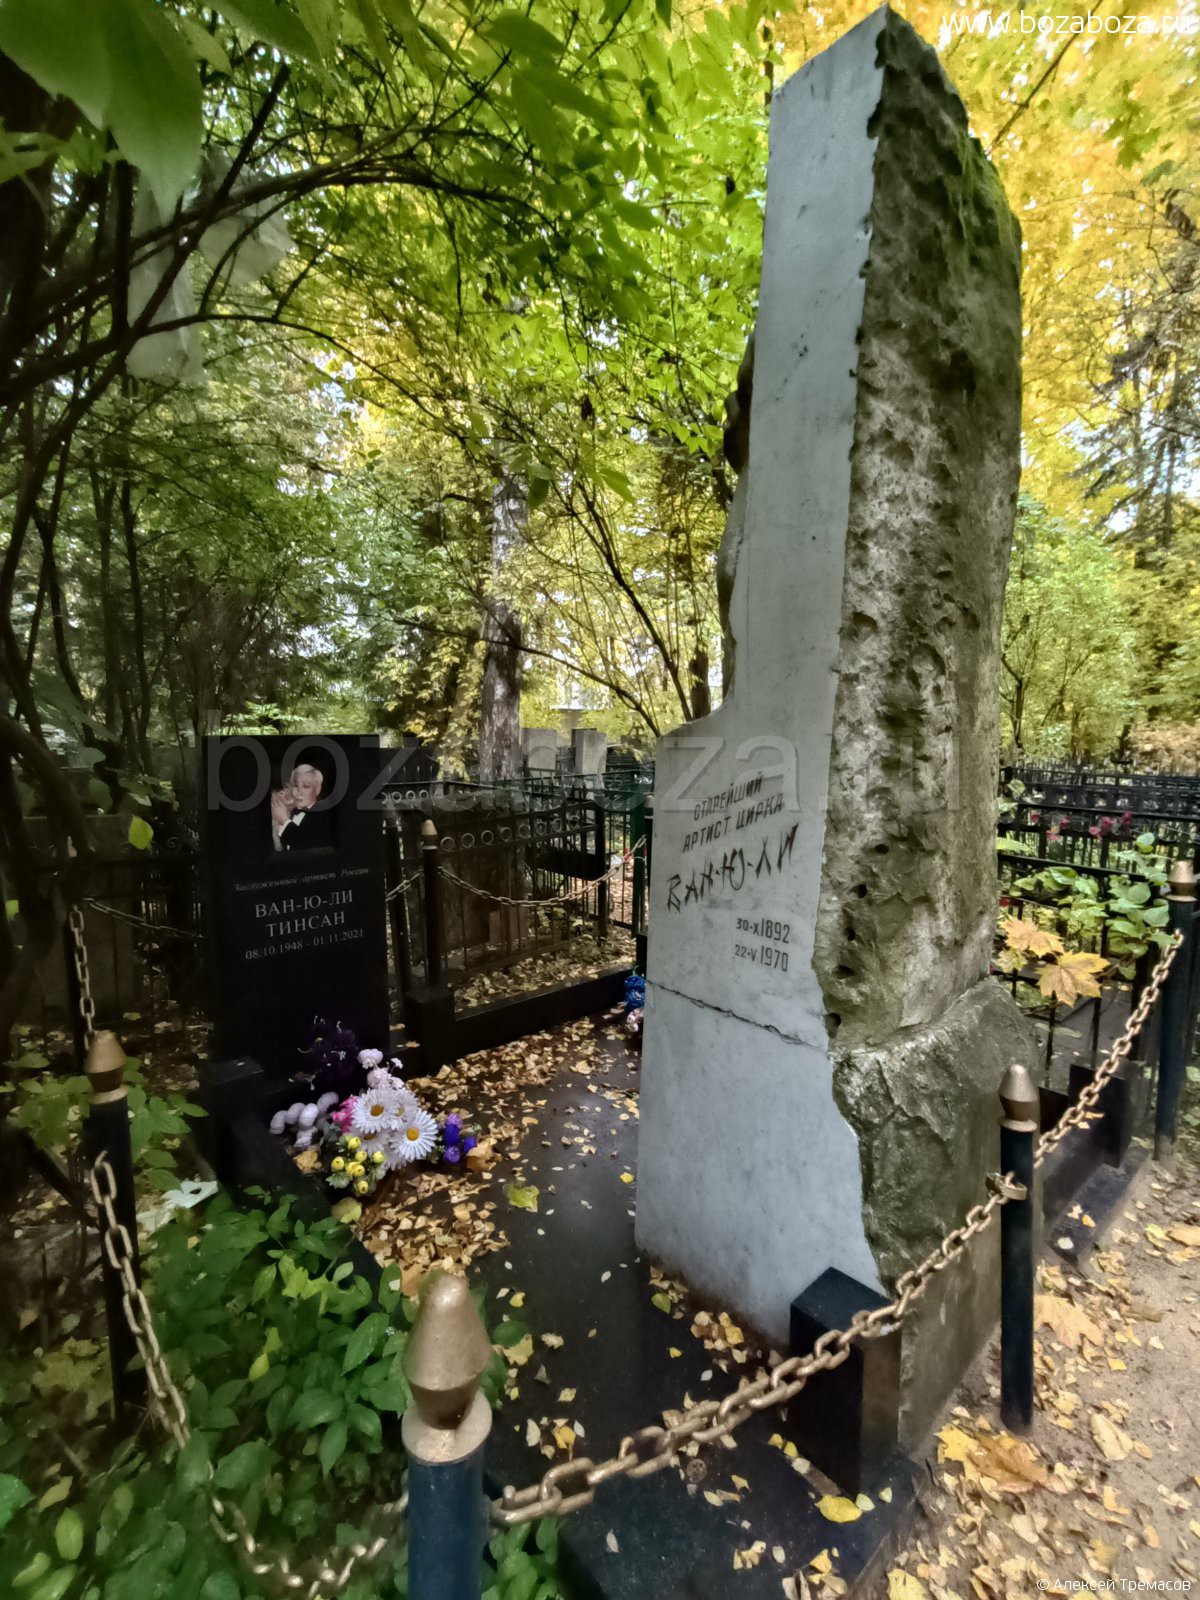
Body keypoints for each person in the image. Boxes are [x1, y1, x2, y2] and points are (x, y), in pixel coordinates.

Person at [275, 761, 335, 851]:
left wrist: (284, 819)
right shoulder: (291, 811)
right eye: (296, 785)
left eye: (306, 786)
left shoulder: (325, 815)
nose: (299, 792)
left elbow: (305, 844)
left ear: (317, 790)